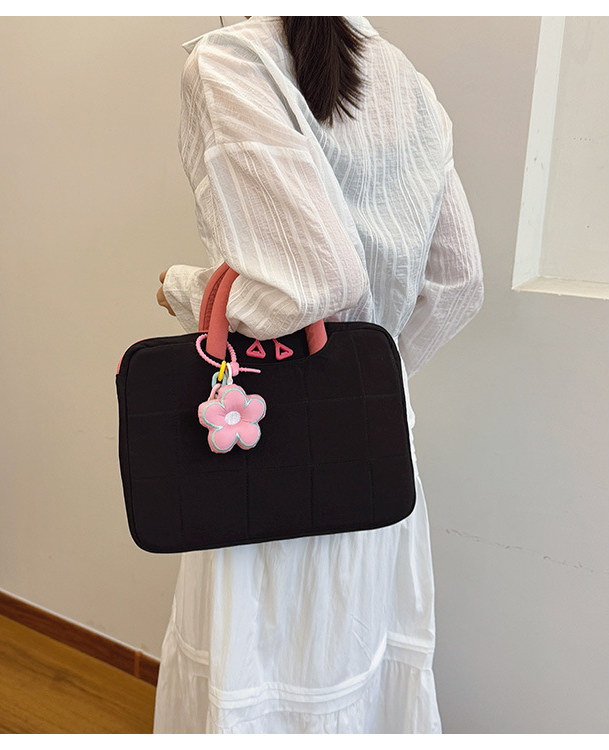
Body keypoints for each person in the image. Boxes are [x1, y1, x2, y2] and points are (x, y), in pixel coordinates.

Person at [153, 16, 483, 734]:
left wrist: (184, 287)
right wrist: (362, 385)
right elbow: (459, 283)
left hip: (265, 454)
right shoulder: (407, 81)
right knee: (360, 664)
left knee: (262, 677)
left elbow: (314, 283)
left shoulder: (232, 59)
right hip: (374, 452)